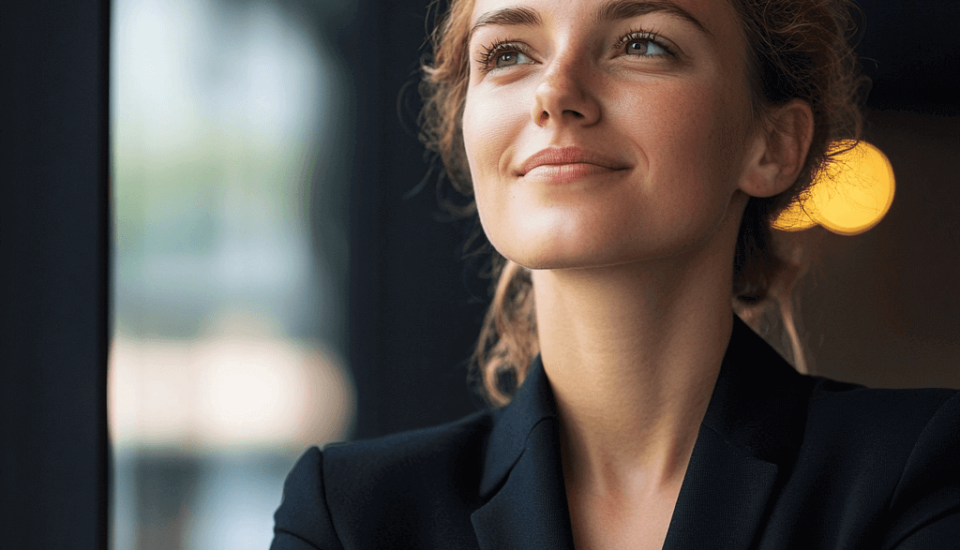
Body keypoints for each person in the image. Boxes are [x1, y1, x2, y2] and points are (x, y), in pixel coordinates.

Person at [270, 0, 960, 547]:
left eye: (642, 43)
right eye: (508, 53)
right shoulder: (349, 517)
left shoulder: (915, 477)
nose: (556, 93)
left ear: (772, 145)